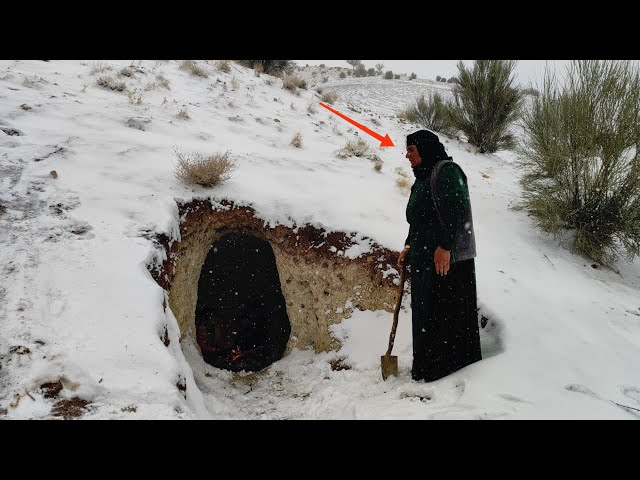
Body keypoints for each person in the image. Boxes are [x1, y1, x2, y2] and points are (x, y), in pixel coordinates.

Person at [397, 129, 481, 382]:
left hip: (447, 259)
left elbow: (457, 210)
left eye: (411, 150)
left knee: (443, 309)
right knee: (426, 310)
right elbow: (418, 220)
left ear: (424, 149)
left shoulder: (446, 171)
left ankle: (446, 369)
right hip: (423, 256)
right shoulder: (422, 178)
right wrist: (409, 246)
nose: (407, 155)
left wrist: (445, 246)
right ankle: (425, 367)